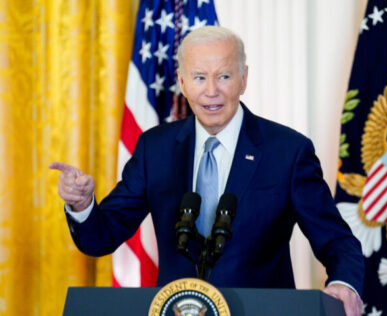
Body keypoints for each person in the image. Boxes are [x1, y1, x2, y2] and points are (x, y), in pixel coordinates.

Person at [50, 26, 364, 316]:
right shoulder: (154, 149)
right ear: (182, 81)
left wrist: (343, 283)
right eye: (199, 77)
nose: (211, 91)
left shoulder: (288, 151)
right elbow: (101, 238)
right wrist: (82, 205)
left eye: (224, 76)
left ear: (244, 79)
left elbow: (337, 240)